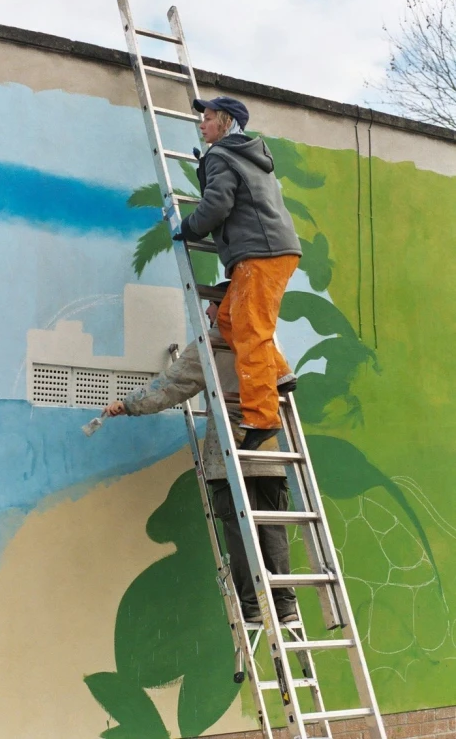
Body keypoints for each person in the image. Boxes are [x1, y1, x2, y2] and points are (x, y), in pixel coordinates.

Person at [104, 283, 297, 625]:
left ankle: (254, 608)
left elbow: (170, 387)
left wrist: (128, 405)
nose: (208, 312)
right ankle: (285, 607)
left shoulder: (210, 347)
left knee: (240, 534)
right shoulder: (264, 343)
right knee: (271, 531)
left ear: (227, 309)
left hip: (229, 457)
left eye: (213, 306)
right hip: (268, 458)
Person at [174, 96, 301, 452]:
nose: (202, 124)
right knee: (228, 319)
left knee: (251, 333)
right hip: (273, 251)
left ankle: (262, 418)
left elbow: (217, 204)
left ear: (225, 122)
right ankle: (277, 372)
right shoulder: (249, 155)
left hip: (259, 254)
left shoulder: (220, 156)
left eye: (208, 118)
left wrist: (187, 228)